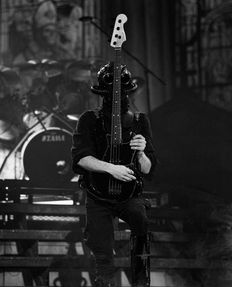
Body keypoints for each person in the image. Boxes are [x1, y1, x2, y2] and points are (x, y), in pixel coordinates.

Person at [71, 62, 157, 287]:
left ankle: (141, 281)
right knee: (101, 247)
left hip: (130, 194)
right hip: (98, 193)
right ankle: (104, 281)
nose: (116, 98)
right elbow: (81, 158)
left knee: (141, 225)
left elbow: (148, 168)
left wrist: (141, 153)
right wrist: (111, 168)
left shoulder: (140, 121)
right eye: (110, 94)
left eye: (121, 93)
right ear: (103, 94)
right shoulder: (89, 119)